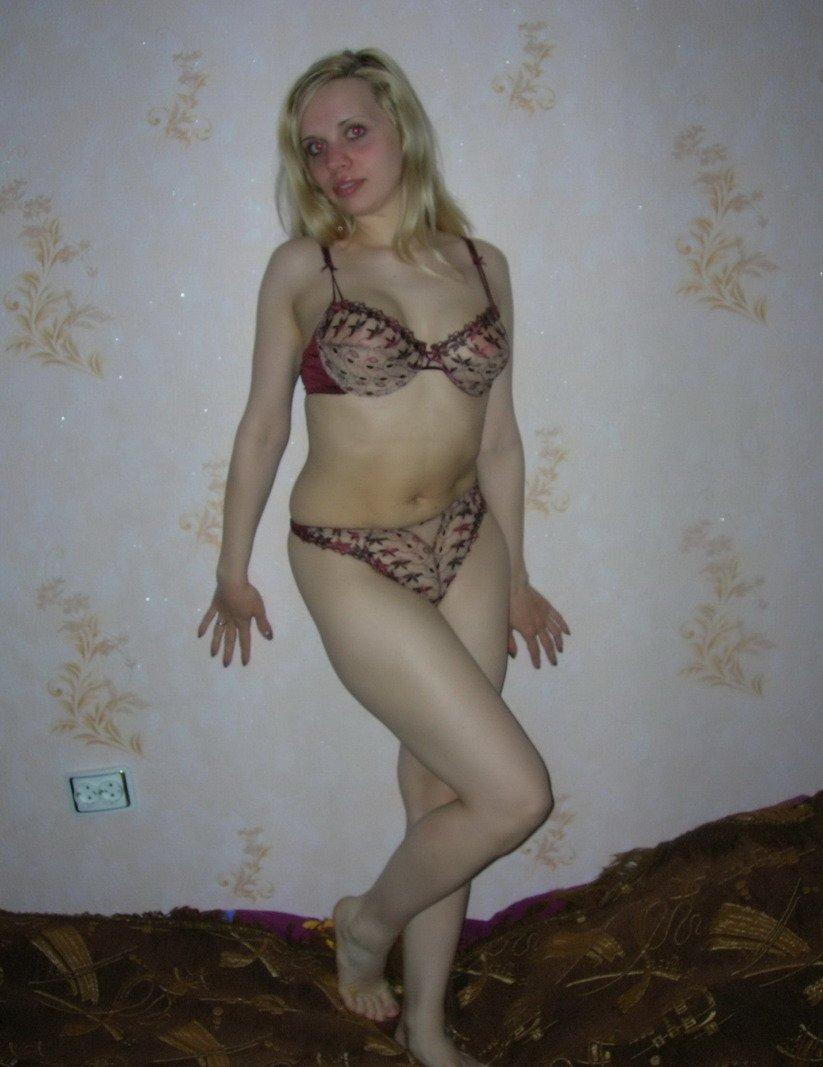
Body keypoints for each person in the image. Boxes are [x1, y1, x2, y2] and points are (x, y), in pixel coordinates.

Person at [197, 47, 570, 1067]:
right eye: (314, 149)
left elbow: (499, 438)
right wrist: (232, 568)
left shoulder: (484, 265)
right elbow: (262, 427)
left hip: (466, 540)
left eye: (353, 133)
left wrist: (519, 574)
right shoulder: (305, 268)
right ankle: (365, 922)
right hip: (347, 551)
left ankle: (425, 1024)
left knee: (445, 795)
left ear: (401, 127)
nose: (335, 163)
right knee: (515, 793)